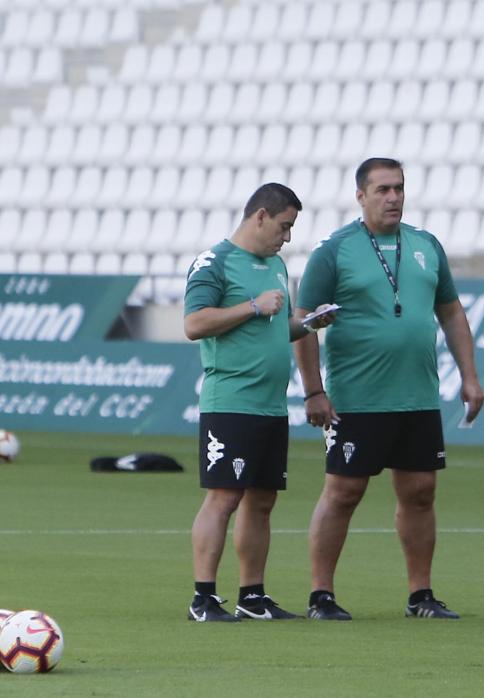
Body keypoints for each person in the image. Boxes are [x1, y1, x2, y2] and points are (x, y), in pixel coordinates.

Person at [294, 158, 484, 621]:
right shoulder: (334, 251)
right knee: (343, 492)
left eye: (399, 188)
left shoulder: (425, 245)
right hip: (357, 397)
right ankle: (321, 595)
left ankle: (420, 594)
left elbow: (452, 313)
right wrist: (314, 391)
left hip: (417, 395)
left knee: (420, 491)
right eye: (382, 189)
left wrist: (470, 376)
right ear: (361, 196)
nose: (393, 197)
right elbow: (303, 324)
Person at [183, 183, 336, 622]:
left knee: (262, 500)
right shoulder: (214, 262)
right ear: (261, 216)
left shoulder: (274, 266)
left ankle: (252, 595)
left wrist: (307, 323)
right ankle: (204, 598)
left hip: (270, 404)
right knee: (223, 498)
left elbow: (275, 327)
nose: (287, 236)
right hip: (230, 401)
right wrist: (252, 306)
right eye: (285, 226)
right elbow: (194, 323)